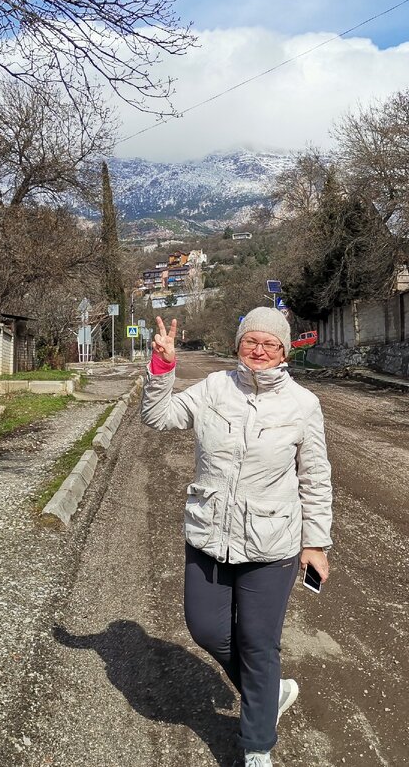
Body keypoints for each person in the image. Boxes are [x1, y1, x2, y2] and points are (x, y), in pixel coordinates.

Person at [141, 306, 333, 767]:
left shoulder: (303, 404)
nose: (260, 350)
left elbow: (315, 477)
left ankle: (257, 747)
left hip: (272, 544)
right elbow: (159, 418)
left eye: (271, 343)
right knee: (206, 629)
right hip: (209, 533)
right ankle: (269, 693)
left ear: (285, 350)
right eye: (252, 341)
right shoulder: (213, 389)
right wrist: (163, 367)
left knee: (257, 642)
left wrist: (316, 543)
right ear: (238, 345)